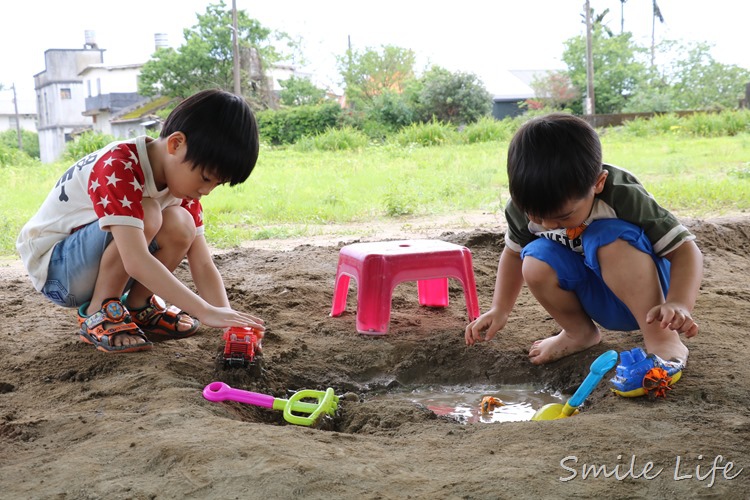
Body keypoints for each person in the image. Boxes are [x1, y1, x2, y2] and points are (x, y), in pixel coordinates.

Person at [17, 88, 265, 353]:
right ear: (176, 144)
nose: (207, 191)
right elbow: (135, 260)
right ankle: (100, 311)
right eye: (206, 178)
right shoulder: (118, 166)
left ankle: (138, 307)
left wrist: (228, 321)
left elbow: (202, 263)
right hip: (56, 270)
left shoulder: (181, 185)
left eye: (219, 184)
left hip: (91, 264)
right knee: (148, 212)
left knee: (182, 224)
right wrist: (203, 311)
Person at [464, 113, 702, 388]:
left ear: (598, 183)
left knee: (606, 236)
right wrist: (500, 308)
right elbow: (514, 254)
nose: (549, 224)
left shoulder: (623, 194)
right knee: (534, 257)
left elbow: (686, 249)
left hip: (651, 300)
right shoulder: (523, 206)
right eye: (537, 216)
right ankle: (579, 333)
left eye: (563, 216)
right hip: (594, 296)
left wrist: (679, 303)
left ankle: (663, 340)